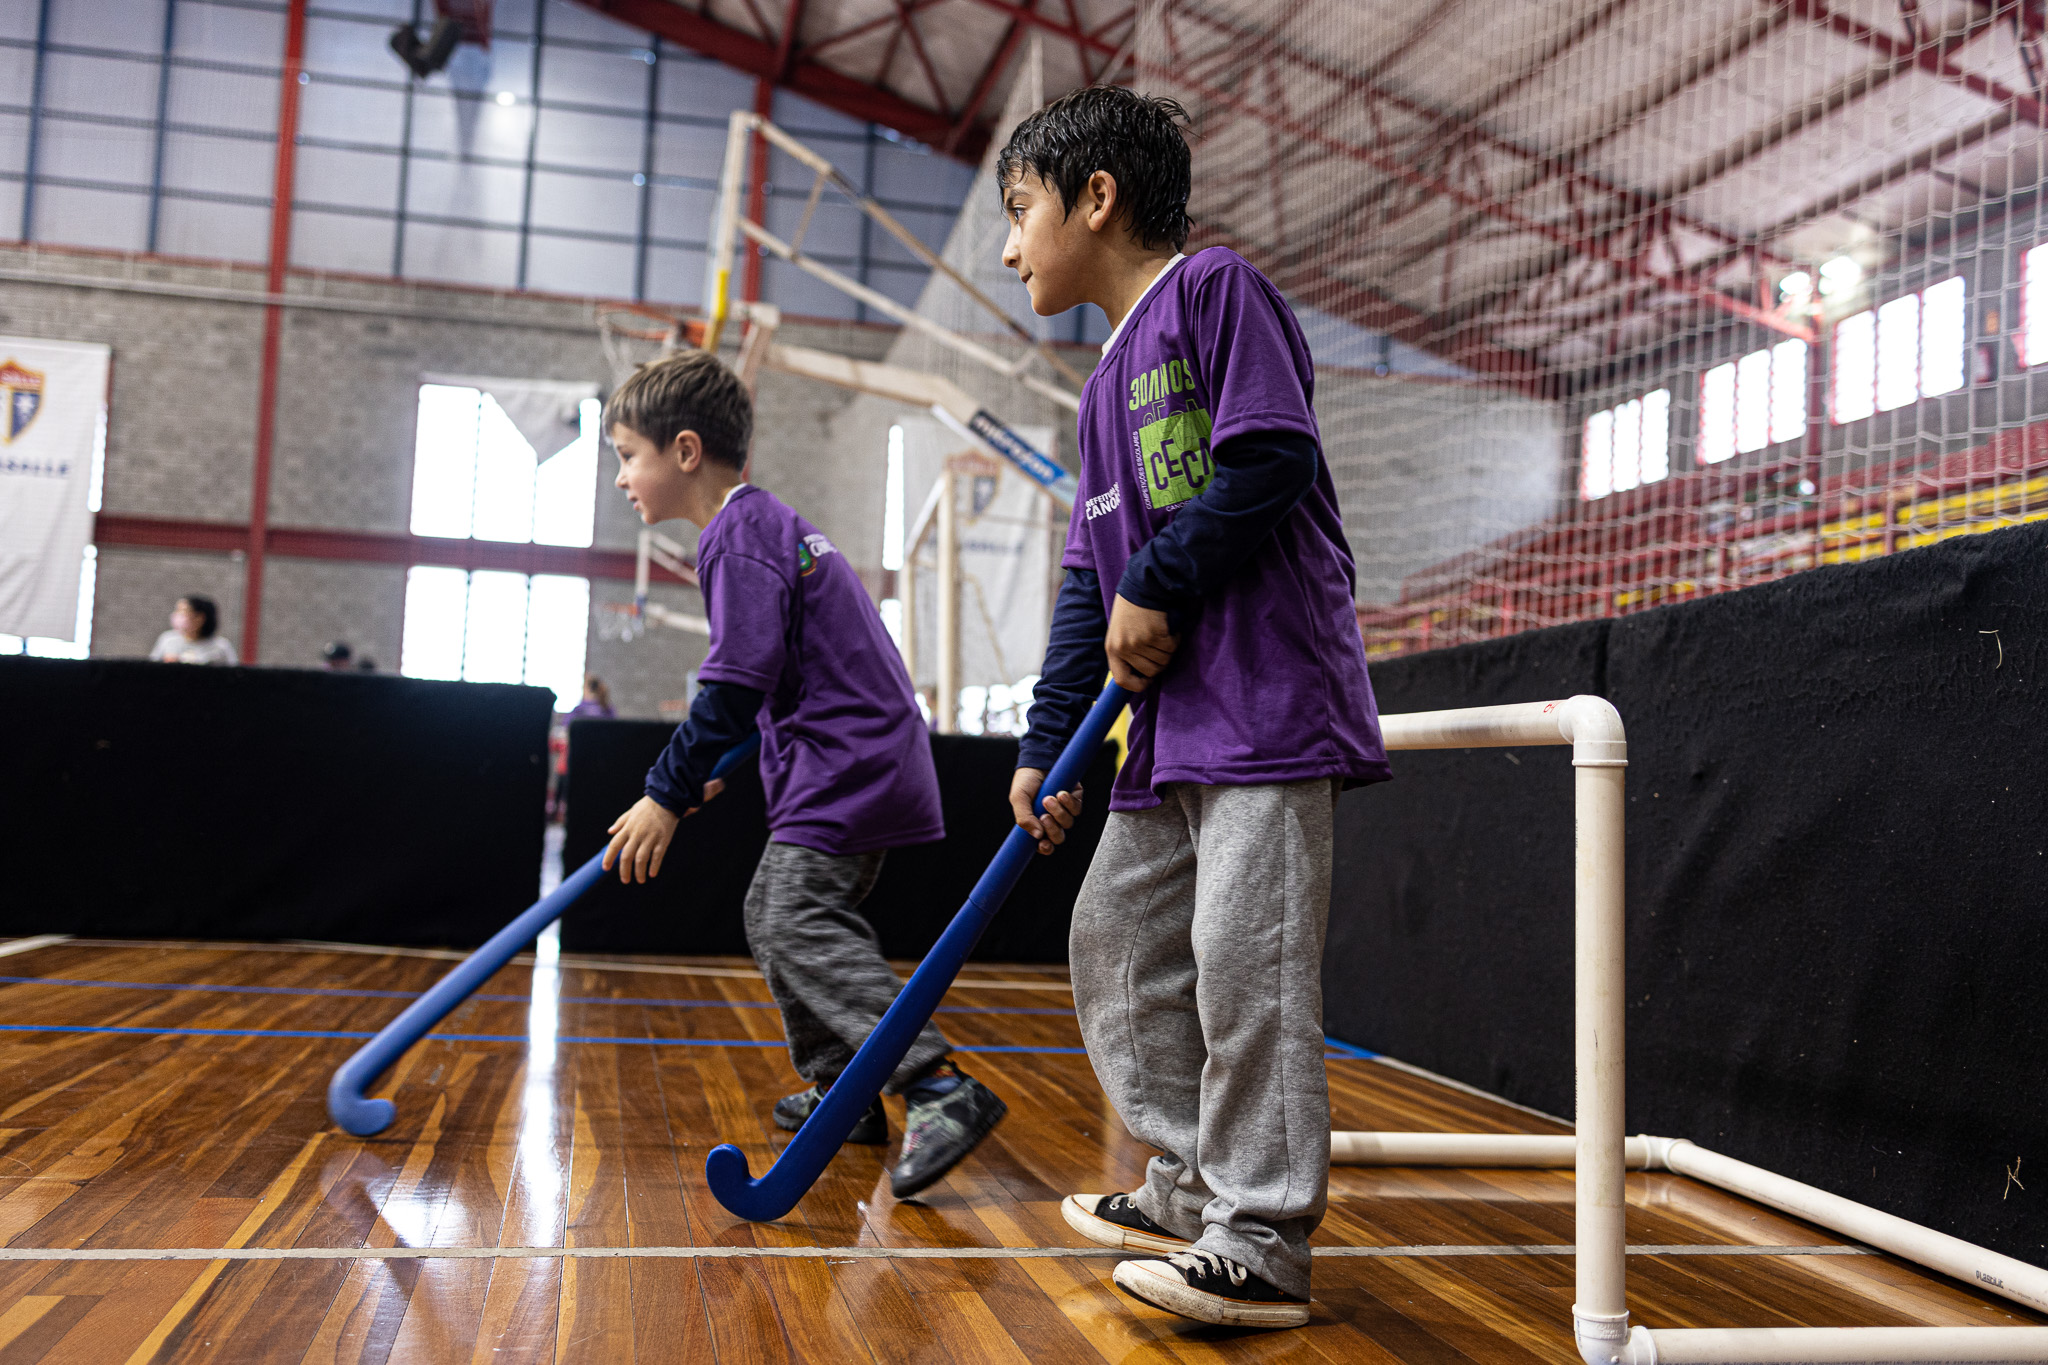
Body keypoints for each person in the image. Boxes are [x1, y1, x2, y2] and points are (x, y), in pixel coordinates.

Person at [998, 88, 1392, 1329]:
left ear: (1095, 199)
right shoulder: (1095, 389)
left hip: (1264, 707)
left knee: (1245, 968)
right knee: (1113, 946)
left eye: (1020, 213)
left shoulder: (1216, 291)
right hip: (1163, 740)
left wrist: (1161, 581)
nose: (1010, 249)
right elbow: (1085, 585)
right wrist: (1044, 746)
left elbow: (1268, 459)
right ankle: (1188, 1183)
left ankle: (1262, 1238)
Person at [598, 350, 1009, 1199]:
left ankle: (937, 1086)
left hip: (849, 763)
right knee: (772, 910)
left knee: (791, 916)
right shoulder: (760, 527)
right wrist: (714, 770)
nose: (620, 480)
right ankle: (842, 1089)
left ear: (682, 451)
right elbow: (778, 679)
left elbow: (735, 683)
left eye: (625, 456)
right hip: (849, 757)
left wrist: (666, 792)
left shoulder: (738, 537)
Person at [148, 595, 237, 665]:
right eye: (177, 611)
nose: (177, 615)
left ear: (199, 618)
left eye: (183, 611)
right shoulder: (167, 640)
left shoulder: (221, 647)